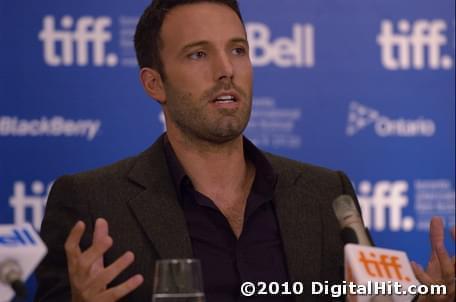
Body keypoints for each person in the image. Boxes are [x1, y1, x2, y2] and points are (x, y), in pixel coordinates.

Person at [34, 0, 455, 301]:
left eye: (238, 49)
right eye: (199, 54)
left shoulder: (327, 194)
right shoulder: (92, 203)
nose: (226, 70)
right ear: (153, 83)